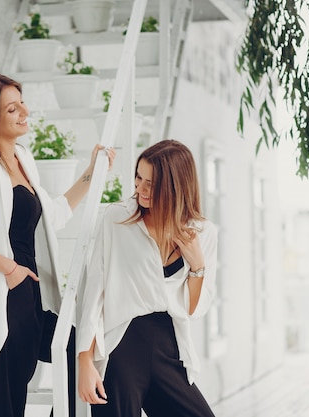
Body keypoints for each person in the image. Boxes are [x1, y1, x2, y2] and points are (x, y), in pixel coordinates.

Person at [0, 71, 115, 417]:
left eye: (23, 104)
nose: (25, 112)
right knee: (7, 407)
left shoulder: (23, 158)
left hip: (34, 299)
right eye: (12, 109)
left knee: (80, 351)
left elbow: (55, 215)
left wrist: (92, 172)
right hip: (3, 302)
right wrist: (9, 268)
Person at [77, 139, 217, 417]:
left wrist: (197, 265)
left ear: (175, 187)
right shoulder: (117, 218)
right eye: (138, 178)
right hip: (123, 343)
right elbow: (95, 292)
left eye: (150, 183)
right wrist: (84, 360)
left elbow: (193, 309)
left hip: (170, 347)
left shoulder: (202, 232)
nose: (140, 189)